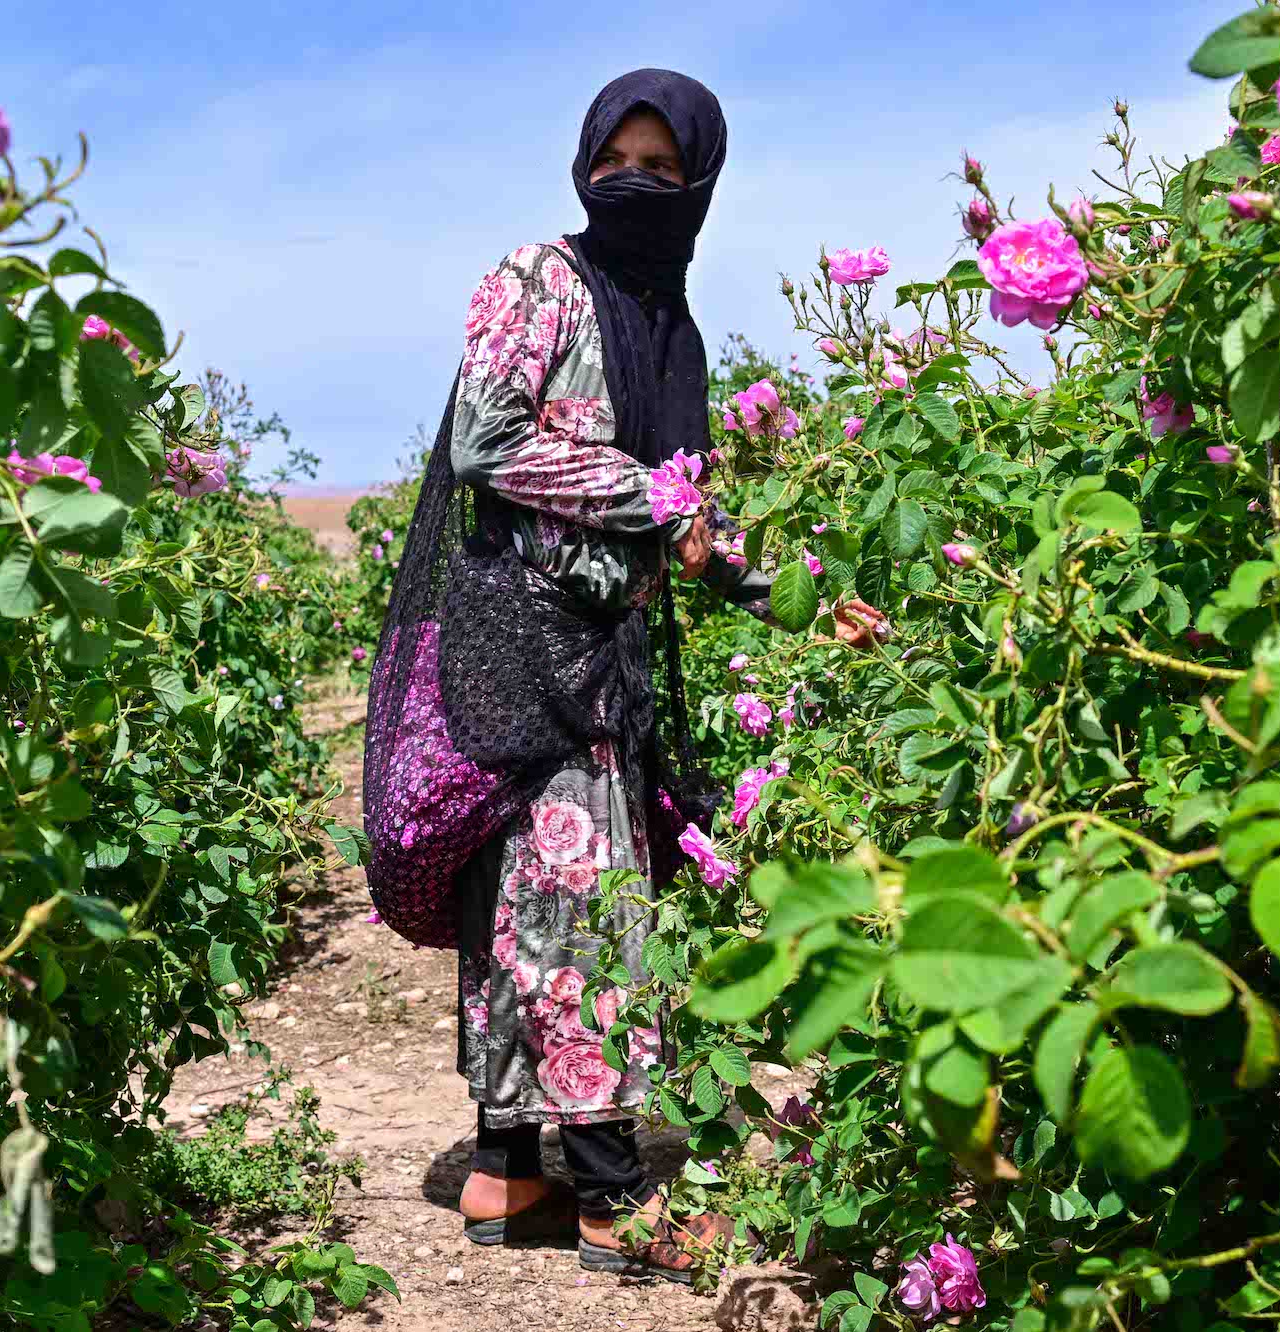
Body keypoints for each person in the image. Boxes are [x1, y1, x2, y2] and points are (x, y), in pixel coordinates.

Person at [361, 68, 881, 1283]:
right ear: (581, 167)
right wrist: (652, 494)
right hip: (525, 641)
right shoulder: (541, 280)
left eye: (661, 165)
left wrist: (787, 590)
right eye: (613, 163)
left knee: (523, 901)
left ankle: (508, 1168)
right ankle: (608, 1195)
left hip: (588, 646)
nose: (634, 183)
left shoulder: (664, 322)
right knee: (586, 905)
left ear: (698, 179)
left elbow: (683, 522)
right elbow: (487, 440)